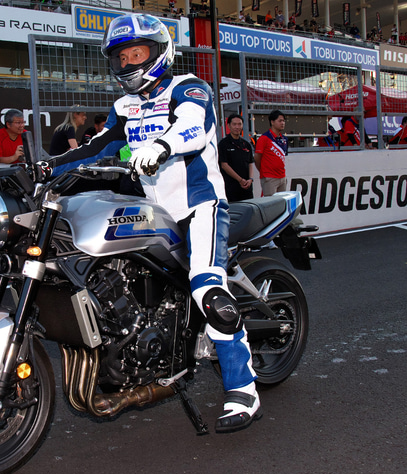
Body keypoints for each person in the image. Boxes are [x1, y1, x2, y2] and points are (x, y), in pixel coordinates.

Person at [40, 14, 262, 433]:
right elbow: (96, 147)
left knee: (207, 288)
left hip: (199, 207)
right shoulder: (124, 107)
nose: (128, 63)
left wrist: (161, 145)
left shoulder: (189, 88)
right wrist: (46, 168)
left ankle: (243, 390)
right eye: (120, 57)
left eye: (136, 53)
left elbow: (193, 127)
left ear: (160, 52)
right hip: (156, 212)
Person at [218, 114, 255, 202]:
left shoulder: (246, 144)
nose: (237, 127)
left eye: (239, 124)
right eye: (234, 124)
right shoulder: (223, 144)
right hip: (231, 188)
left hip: (247, 188)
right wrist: (240, 180)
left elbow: (250, 163)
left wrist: (250, 179)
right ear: (228, 126)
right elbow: (224, 165)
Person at [255, 110, 289, 196]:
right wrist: (263, 171)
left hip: (282, 176)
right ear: (272, 122)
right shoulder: (264, 138)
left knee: (282, 202)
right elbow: (257, 157)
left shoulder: (284, 139)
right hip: (269, 177)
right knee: (271, 202)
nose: (282, 123)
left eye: (283, 121)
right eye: (280, 121)